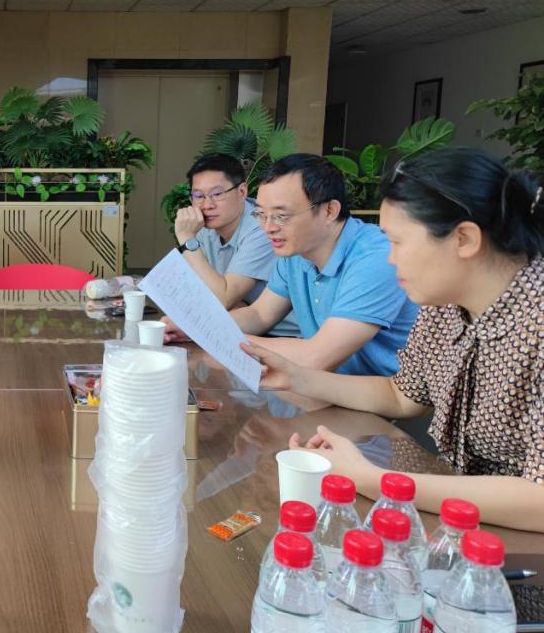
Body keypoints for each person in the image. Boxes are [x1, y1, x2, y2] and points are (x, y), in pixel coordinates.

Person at [245, 148, 544, 533]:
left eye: (397, 242)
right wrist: (299, 378)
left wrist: (374, 480)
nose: (389, 259)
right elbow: (402, 395)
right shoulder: (445, 306)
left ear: (464, 239)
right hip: (464, 525)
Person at [170, 153, 417, 375]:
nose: (268, 227)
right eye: (261, 215)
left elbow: (317, 356)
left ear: (329, 210)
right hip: (327, 386)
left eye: (281, 216)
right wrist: (196, 327)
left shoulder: (375, 258)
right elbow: (259, 314)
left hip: (382, 398)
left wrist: (219, 337)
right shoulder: (296, 251)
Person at [166, 153, 297, 335]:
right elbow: (193, 290)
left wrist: (188, 240)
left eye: (217, 194)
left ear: (242, 191)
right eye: (199, 195)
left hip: (282, 336)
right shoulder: (205, 227)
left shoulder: (262, 227)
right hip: (239, 325)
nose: (207, 205)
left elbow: (223, 299)